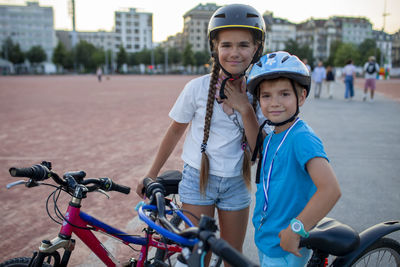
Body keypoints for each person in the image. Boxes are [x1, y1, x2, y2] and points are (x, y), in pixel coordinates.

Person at [135, 4, 267, 265]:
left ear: (256, 48)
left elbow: (258, 152)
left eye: (243, 45)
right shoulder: (196, 88)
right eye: (226, 45)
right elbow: (174, 132)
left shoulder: (259, 93)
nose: (234, 52)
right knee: (197, 256)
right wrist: (151, 172)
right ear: (215, 48)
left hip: (237, 182)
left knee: (233, 255)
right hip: (198, 179)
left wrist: (245, 108)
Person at [247, 51, 341, 267]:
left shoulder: (302, 138)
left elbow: (330, 190)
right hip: (268, 239)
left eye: (284, 94)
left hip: (287, 244)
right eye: (266, 96)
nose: (275, 103)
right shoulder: (272, 136)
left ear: (301, 97)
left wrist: (296, 228)